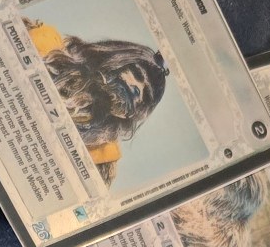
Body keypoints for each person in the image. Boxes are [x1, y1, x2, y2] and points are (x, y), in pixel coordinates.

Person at [22, 18, 170, 183]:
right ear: (114, 58)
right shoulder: (45, 41)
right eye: (136, 74)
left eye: (143, 94)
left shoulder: (103, 158)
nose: (135, 87)